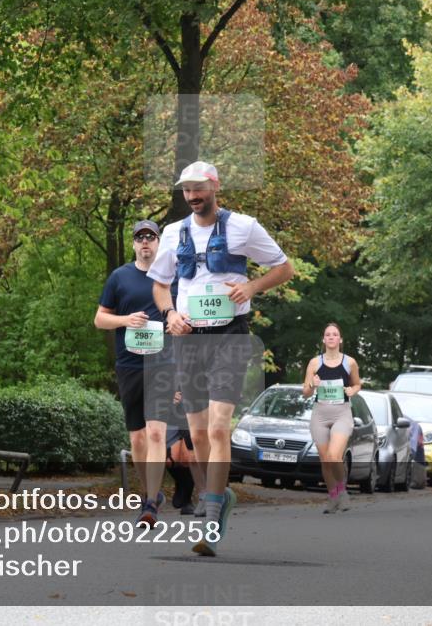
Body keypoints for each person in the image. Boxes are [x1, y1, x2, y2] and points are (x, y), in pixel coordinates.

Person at [149, 161, 294, 556]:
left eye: (199, 188)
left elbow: (284, 268)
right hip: (189, 339)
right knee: (197, 434)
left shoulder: (243, 226)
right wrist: (170, 314)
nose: (192, 196)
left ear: (215, 187)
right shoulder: (173, 232)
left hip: (230, 335)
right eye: (186, 190)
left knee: (217, 428)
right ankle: (220, 495)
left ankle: (211, 519)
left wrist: (252, 286)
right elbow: (160, 286)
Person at [95, 220, 177, 527]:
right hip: (129, 364)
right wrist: (126, 320)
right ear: (133, 244)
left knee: (156, 432)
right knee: (138, 438)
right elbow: (99, 319)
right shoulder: (120, 277)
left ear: (158, 243)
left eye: (150, 237)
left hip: (163, 364)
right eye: (140, 237)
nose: (145, 242)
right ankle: (150, 492)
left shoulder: (172, 278)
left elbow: (184, 318)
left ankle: (150, 504)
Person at [302, 323, 362, 513]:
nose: (331, 337)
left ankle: (342, 492)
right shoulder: (314, 363)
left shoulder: (349, 362)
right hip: (320, 414)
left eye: (335, 334)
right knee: (325, 460)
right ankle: (333, 497)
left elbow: (357, 384)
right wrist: (312, 384)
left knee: (334, 456)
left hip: (341, 413)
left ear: (340, 339)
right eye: (327, 334)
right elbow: (305, 392)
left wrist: (352, 390)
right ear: (323, 339)